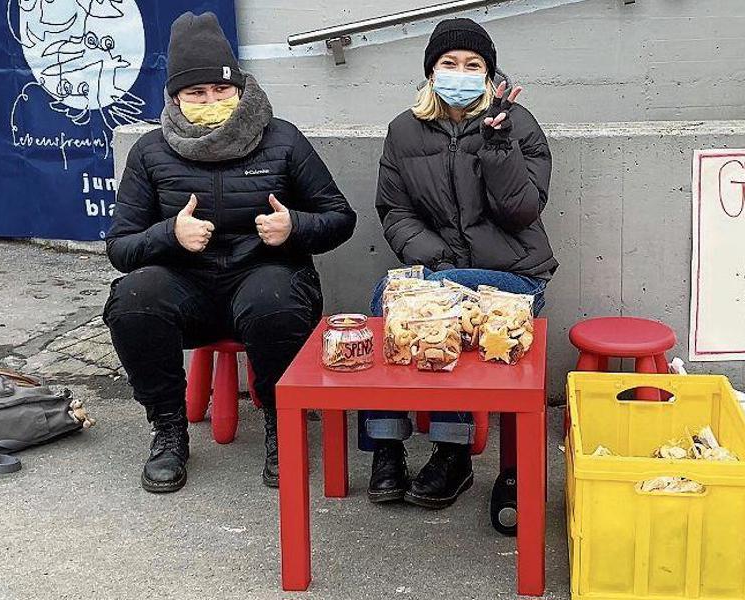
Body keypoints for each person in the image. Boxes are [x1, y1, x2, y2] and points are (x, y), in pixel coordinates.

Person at [103, 12, 356, 493]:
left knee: (273, 299)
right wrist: (169, 236)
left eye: (221, 91)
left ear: (240, 90)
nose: (211, 102)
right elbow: (120, 247)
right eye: (196, 94)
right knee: (134, 297)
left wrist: (294, 226)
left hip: (266, 278)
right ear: (175, 98)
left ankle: (284, 427)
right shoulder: (150, 152)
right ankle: (168, 429)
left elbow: (340, 218)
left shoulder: (282, 139)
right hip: (187, 291)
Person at [364, 18, 557, 509]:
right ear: (431, 73)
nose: (460, 72)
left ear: (490, 76)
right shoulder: (403, 130)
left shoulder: (519, 124)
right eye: (449, 63)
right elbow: (395, 211)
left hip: (513, 279)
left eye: (474, 65)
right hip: (440, 271)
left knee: (438, 310)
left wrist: (498, 146)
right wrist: (436, 261)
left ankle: (453, 453)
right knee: (382, 302)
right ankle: (387, 447)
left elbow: (524, 210)